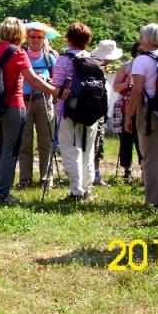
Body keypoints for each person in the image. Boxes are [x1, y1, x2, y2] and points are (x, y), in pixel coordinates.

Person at [0, 17, 54, 205]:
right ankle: (2, 193)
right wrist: (55, 91)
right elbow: (33, 80)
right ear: (19, 33)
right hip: (13, 105)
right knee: (10, 150)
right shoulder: (18, 52)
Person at [124, 23, 158, 211]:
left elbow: (137, 91)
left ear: (146, 39)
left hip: (149, 113)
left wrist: (129, 116)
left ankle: (154, 201)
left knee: (150, 157)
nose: (139, 39)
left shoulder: (141, 60)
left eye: (141, 36)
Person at [50, 22, 100, 201]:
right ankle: (87, 188)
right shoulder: (93, 59)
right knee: (88, 150)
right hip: (91, 112)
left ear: (69, 39)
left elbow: (57, 88)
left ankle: (76, 191)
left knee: (71, 150)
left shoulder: (64, 59)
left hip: (68, 110)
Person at [18, 27, 57, 188]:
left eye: (39, 37)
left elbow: (57, 81)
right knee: (24, 142)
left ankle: (46, 179)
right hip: (24, 101)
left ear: (44, 40)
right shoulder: (22, 56)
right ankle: (24, 179)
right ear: (27, 38)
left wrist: (46, 81)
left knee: (46, 141)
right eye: (33, 37)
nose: (35, 40)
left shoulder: (50, 59)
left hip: (44, 100)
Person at [89, 40, 123, 187]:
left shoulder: (96, 67)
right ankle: (93, 176)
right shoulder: (97, 69)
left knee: (97, 144)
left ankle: (93, 175)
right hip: (96, 113)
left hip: (98, 112)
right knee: (96, 144)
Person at [113, 41, 143, 183]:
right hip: (125, 106)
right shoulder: (126, 66)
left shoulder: (149, 65)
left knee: (141, 140)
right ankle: (127, 170)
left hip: (142, 107)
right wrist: (126, 83)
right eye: (139, 52)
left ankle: (145, 169)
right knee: (126, 140)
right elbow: (115, 87)